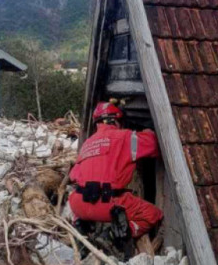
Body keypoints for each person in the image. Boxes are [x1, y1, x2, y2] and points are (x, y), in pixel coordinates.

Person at [69, 101, 163, 240]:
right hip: (109, 203)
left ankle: (82, 230)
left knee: (78, 199)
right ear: (116, 120)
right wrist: (148, 131)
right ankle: (116, 235)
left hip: (78, 205)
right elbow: (154, 144)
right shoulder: (125, 137)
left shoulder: (87, 143)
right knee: (153, 214)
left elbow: (74, 175)